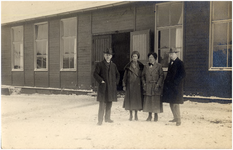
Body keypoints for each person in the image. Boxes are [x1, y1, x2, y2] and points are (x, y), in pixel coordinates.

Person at [93, 48, 120, 126]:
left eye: (109, 55)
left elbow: (118, 75)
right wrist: (101, 81)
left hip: (111, 88)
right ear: (104, 55)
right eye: (106, 55)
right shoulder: (100, 64)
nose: (108, 56)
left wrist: (115, 83)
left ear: (111, 56)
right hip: (103, 88)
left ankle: (107, 118)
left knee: (109, 103)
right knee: (102, 104)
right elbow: (95, 74)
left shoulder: (113, 65)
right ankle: (100, 120)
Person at [162, 48, 186, 126]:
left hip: (176, 87)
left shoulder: (180, 63)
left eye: (172, 54)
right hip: (170, 86)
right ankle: (175, 117)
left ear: (176, 54)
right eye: (170, 54)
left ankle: (178, 119)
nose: (170, 55)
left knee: (176, 103)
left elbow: (182, 74)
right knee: (171, 102)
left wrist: (176, 82)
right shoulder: (170, 63)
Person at [142, 52, 164, 122]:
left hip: (155, 85)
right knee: (148, 100)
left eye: (152, 57)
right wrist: (144, 84)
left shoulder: (159, 66)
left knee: (156, 100)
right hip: (148, 86)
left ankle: (156, 115)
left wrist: (158, 84)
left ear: (155, 59)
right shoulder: (145, 66)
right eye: (149, 57)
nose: (150, 59)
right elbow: (142, 76)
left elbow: (161, 76)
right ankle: (149, 115)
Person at [122, 51, 144, 121]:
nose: (134, 58)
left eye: (136, 56)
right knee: (130, 100)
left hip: (137, 85)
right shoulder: (128, 66)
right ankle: (131, 115)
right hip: (130, 85)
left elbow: (143, 76)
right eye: (133, 56)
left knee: (137, 100)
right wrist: (124, 85)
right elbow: (125, 77)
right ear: (131, 57)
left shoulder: (141, 66)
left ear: (138, 57)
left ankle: (136, 115)